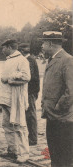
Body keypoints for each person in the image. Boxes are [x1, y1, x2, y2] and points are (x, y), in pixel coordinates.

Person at [40, 31, 73, 167]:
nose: (41, 46)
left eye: (43, 43)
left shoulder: (68, 60)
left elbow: (71, 90)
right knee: (54, 154)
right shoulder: (52, 60)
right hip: (52, 116)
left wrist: (58, 107)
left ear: (50, 43)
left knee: (63, 156)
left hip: (63, 118)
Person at [0, 39, 31, 163]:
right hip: (5, 98)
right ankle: (12, 150)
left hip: (16, 99)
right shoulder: (8, 60)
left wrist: (10, 79)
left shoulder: (22, 60)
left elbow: (26, 77)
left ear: (10, 47)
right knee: (7, 125)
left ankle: (24, 154)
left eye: (4, 48)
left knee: (19, 126)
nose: (2, 50)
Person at [18, 43, 40, 146]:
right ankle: (30, 137)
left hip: (30, 91)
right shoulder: (30, 59)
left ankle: (33, 139)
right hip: (30, 91)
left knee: (31, 115)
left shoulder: (29, 60)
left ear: (22, 52)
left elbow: (29, 77)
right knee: (28, 114)